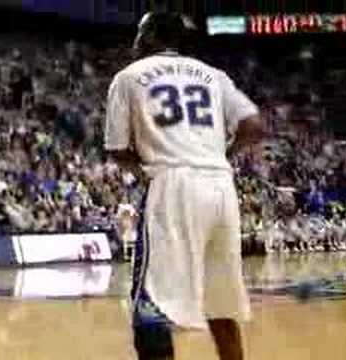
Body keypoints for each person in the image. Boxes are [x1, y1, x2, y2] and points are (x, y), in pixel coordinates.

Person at [104, 12, 264, 360]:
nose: (135, 40)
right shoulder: (213, 75)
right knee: (221, 304)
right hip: (221, 184)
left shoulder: (128, 77)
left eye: (140, 32)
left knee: (149, 305)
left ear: (152, 36)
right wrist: (223, 152)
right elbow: (254, 125)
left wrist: (146, 171)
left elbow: (116, 148)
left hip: (173, 183)